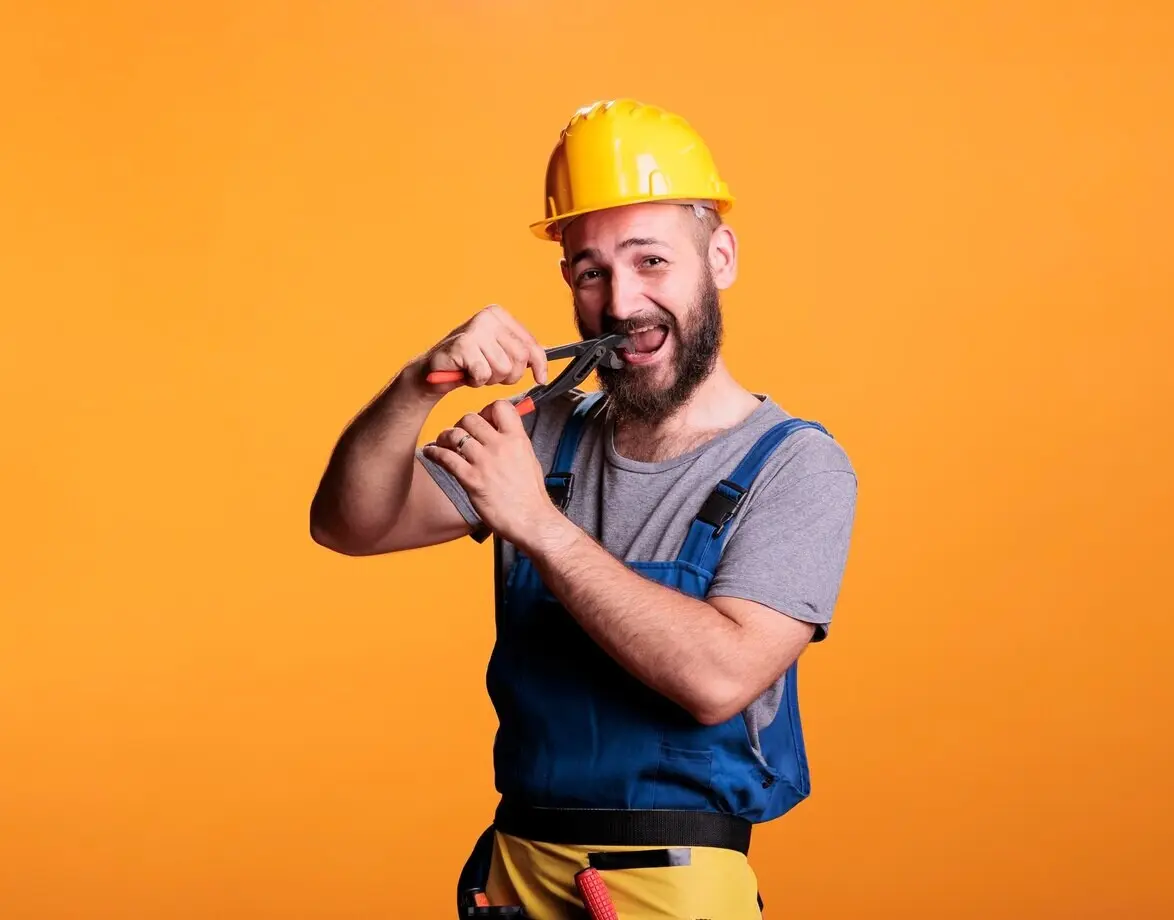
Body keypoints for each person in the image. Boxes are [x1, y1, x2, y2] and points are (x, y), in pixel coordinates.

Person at [309, 98, 858, 919]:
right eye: (591, 270)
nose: (620, 302)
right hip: (513, 876)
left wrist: (536, 524)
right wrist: (414, 386)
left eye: (651, 262)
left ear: (721, 258)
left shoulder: (798, 466)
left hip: (673, 882)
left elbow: (718, 679)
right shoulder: (540, 434)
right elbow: (349, 524)